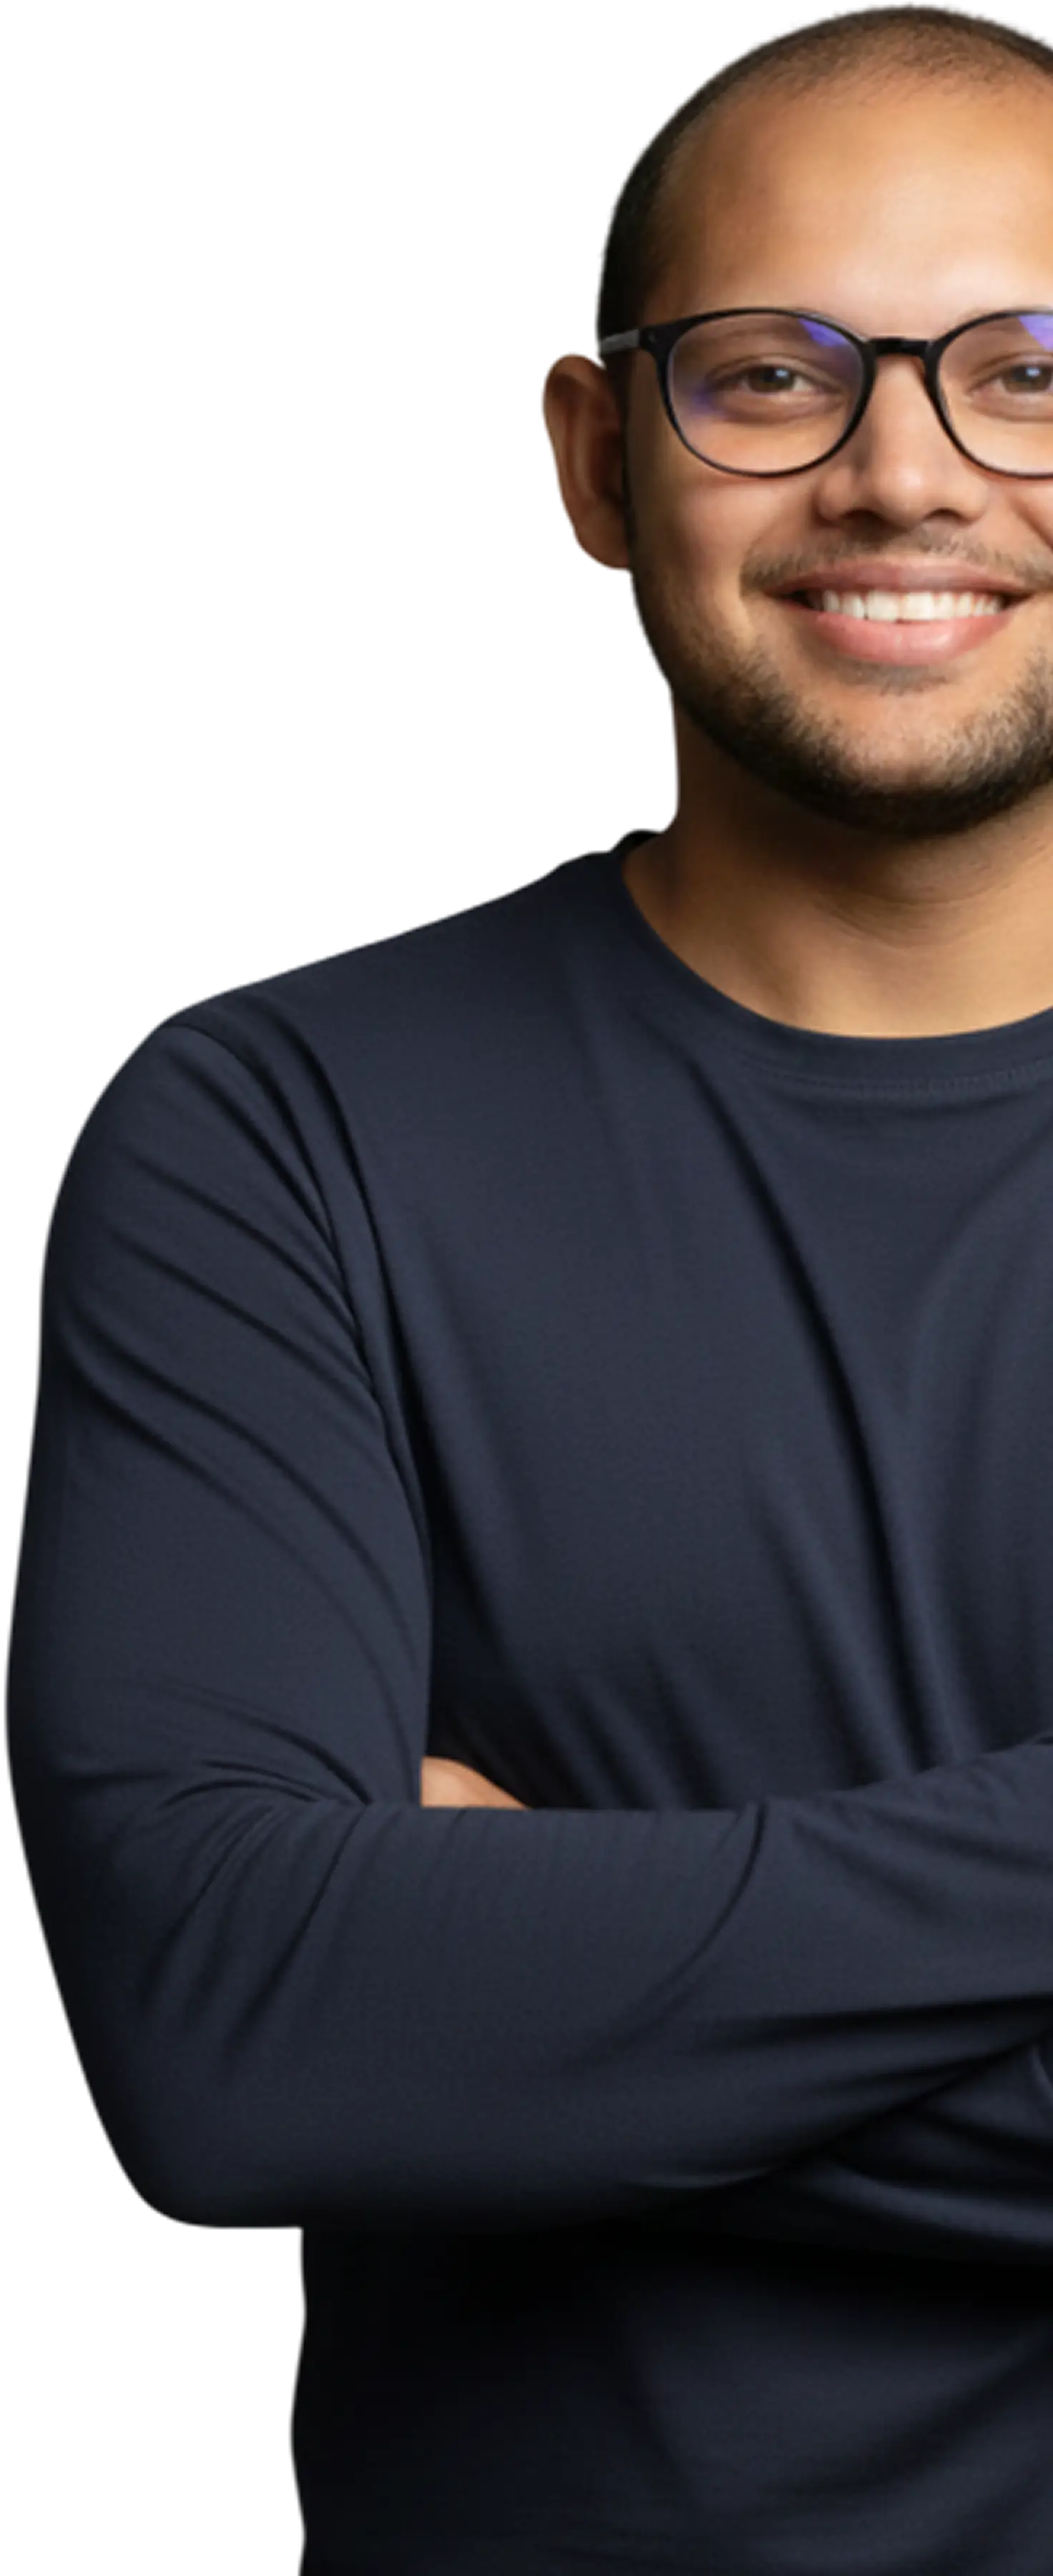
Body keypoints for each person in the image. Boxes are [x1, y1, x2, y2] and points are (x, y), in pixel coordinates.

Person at [7, 12, 1052, 2574]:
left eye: (1035, 373)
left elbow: (383, 2022)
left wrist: (552, 1961)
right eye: (772, 372)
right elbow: (248, 2041)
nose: (904, 467)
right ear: (594, 460)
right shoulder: (284, 1131)